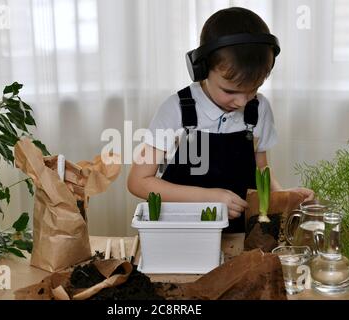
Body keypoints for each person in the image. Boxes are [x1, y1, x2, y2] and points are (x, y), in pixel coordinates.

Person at [127, 7, 314, 232]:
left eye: (253, 89)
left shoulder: (259, 109)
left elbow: (261, 170)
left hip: (240, 232)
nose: (242, 102)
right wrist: (208, 197)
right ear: (202, 69)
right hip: (182, 230)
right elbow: (139, 181)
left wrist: (282, 194)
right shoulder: (175, 109)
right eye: (230, 91)